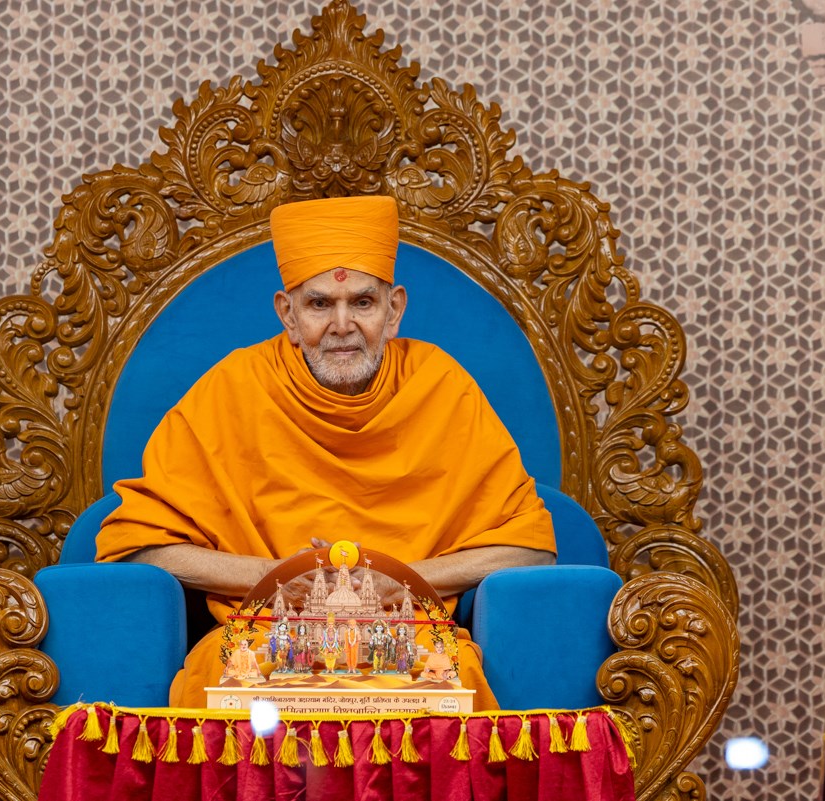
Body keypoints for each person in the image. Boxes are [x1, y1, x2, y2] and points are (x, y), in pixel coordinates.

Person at [97, 195, 556, 709]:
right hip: (264, 638)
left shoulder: (441, 387)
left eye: (362, 302)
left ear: (394, 309)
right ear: (287, 314)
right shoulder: (232, 389)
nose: (342, 326)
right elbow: (138, 545)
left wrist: (397, 579)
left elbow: (530, 548)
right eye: (319, 304)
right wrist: (278, 577)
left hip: (407, 637)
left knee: (449, 685)